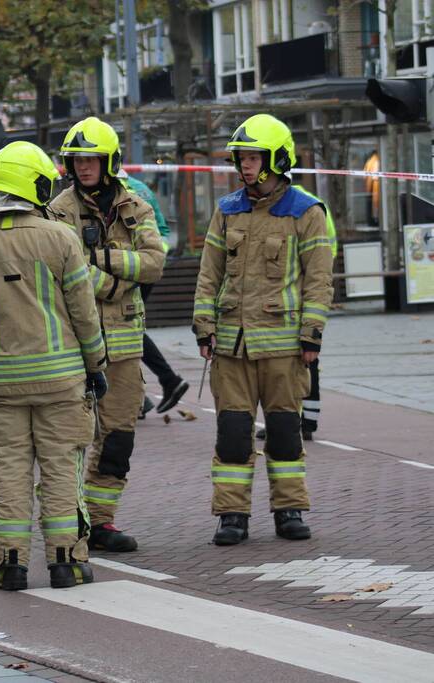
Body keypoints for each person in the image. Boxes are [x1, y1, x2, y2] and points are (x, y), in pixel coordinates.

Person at [0, 141, 108, 590]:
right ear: (34, 185)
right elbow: (84, 312)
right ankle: (66, 563)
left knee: (10, 471)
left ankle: (10, 565)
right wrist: (96, 362)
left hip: (1, 381)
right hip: (62, 381)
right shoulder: (60, 238)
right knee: (61, 469)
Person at [193, 114, 334, 546]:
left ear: (276, 159)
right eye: (241, 158)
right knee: (233, 436)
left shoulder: (306, 212)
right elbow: (208, 276)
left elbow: (319, 279)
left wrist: (312, 334)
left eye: (253, 157)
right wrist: (204, 327)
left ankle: (289, 510)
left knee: (285, 433)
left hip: (284, 349)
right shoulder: (227, 210)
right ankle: (232, 516)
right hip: (232, 349)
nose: (245, 166)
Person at [50, 117, 166, 553]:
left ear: (109, 162)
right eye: (77, 160)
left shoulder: (135, 207)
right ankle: (72, 519)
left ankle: (102, 520)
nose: (84, 168)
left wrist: (100, 257)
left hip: (122, 346)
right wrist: (121, 275)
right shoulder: (58, 210)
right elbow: (68, 272)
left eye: (92, 160)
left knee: (118, 434)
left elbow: (154, 263)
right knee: (73, 437)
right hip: (75, 345)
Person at [257, 183, 338, 442]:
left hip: (295, 292)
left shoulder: (300, 206)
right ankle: (306, 422)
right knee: (308, 358)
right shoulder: (312, 201)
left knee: (297, 361)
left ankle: (290, 421)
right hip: (310, 289)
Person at [116, 169, 189, 417]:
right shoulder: (141, 187)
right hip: (147, 267)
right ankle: (150, 391)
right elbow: (162, 229)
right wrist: (157, 257)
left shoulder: (119, 191)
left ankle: (155, 386)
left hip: (128, 270)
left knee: (124, 328)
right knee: (131, 328)